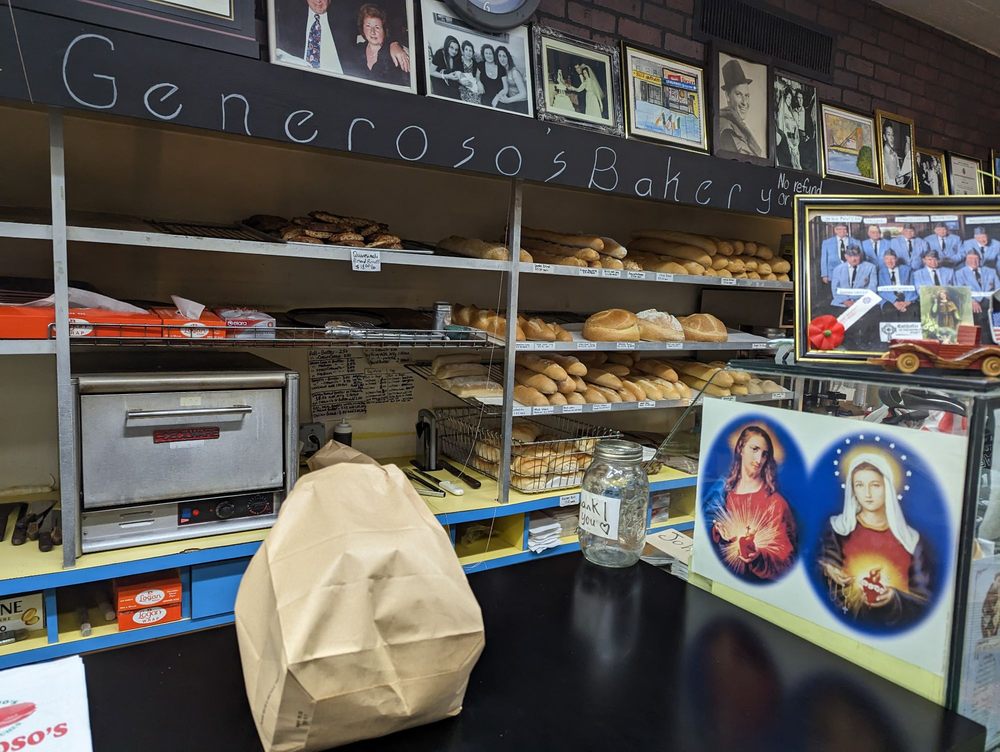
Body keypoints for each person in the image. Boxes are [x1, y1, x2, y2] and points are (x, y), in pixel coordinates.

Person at [818, 453, 931, 627]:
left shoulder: (911, 540)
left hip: (891, 629)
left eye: (875, 485)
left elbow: (924, 599)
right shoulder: (837, 528)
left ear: (887, 488)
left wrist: (894, 597)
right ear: (852, 489)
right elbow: (814, 565)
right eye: (859, 485)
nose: (867, 494)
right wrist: (828, 568)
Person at [702, 425, 796, 581]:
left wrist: (758, 557)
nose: (759, 460)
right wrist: (716, 530)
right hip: (717, 580)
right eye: (754, 449)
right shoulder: (722, 490)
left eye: (764, 454)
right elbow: (704, 524)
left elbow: (785, 558)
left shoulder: (775, 504)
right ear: (740, 448)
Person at [273, 0, 410, 77]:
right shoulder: (289, 14)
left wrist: (393, 42)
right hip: (299, 78)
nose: (319, 1)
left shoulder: (345, 14)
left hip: (338, 81)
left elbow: (383, 17)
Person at [829, 247, 879, 347]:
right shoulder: (838, 269)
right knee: (839, 317)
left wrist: (859, 303)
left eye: (856, 256)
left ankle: (863, 341)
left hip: (862, 302)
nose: (854, 259)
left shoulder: (871, 267)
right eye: (851, 256)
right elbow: (835, 289)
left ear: (860, 256)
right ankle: (846, 342)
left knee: (871, 315)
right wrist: (845, 301)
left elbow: (872, 288)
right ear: (846, 257)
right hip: (842, 302)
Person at [352, 5, 409, 86]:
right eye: (368, 26)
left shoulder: (396, 52)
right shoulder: (358, 49)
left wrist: (394, 44)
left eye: (377, 27)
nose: (372, 32)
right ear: (362, 28)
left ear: (384, 29)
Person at [718, 59, 764, 158]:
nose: (744, 102)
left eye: (747, 96)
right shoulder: (726, 129)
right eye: (739, 94)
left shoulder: (738, 126)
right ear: (727, 96)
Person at [774, 84, 816, 172]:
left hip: (803, 137)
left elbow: (810, 125)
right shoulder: (792, 111)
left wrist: (808, 136)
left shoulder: (806, 112)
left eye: (801, 98)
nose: (799, 100)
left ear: (803, 99)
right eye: (797, 98)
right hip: (791, 137)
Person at [954, 249, 999, 326]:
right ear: (966, 260)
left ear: (980, 260)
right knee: (980, 318)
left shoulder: (991, 271)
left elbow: (998, 289)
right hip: (974, 303)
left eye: (976, 259)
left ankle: (996, 331)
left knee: (996, 317)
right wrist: (972, 301)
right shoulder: (959, 273)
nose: (974, 261)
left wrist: (995, 302)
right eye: (970, 259)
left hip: (991, 302)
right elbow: (960, 291)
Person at [877, 250, 918, 321]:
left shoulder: (907, 270)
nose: (889, 261)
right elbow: (882, 291)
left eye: (892, 259)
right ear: (884, 260)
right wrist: (895, 302)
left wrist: (907, 302)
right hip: (890, 298)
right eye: (887, 259)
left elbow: (913, 287)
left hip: (906, 297)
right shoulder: (881, 272)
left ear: (896, 259)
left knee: (913, 309)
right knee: (889, 310)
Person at [494, 46, 528, 114]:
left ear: (508, 57)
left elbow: (524, 94)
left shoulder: (514, 72)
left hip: (521, 103)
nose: (502, 59)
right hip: (512, 101)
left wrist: (507, 100)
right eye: (499, 56)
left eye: (504, 56)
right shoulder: (503, 71)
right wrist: (497, 97)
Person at [476, 44, 505, 109]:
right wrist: (479, 83)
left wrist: (497, 97)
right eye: (486, 53)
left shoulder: (501, 68)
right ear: (483, 55)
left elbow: (505, 88)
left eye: (490, 53)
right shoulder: (480, 65)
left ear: (493, 54)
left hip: (498, 98)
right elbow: (477, 78)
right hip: (485, 97)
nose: (488, 55)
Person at [457, 40, 483, 105]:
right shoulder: (458, 60)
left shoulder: (475, 63)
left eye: (470, 50)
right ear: (463, 51)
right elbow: (455, 73)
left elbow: (477, 77)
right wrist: (461, 81)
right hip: (461, 85)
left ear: (473, 53)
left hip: (472, 85)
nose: (468, 52)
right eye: (466, 50)